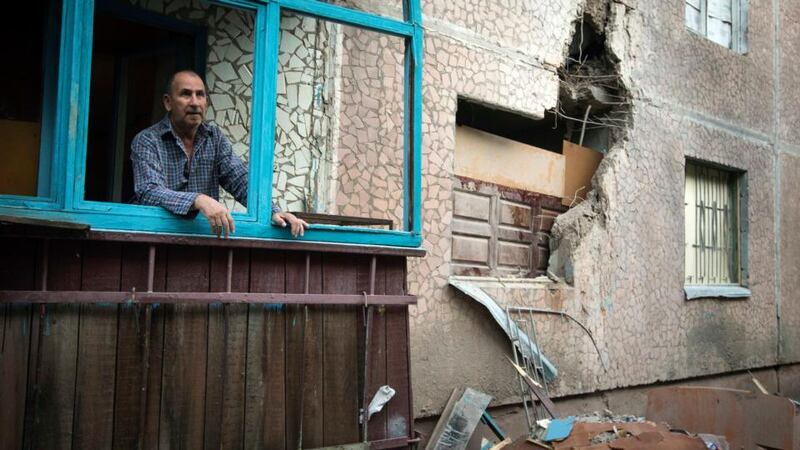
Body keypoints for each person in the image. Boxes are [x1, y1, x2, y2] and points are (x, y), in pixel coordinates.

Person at [131, 70, 308, 238]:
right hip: (155, 239)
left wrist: (273, 212)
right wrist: (199, 200)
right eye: (186, 94)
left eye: (200, 95)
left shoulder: (214, 137)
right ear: (168, 102)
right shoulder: (147, 140)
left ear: (206, 102)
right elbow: (148, 192)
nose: (194, 102)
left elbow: (239, 180)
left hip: (202, 240)